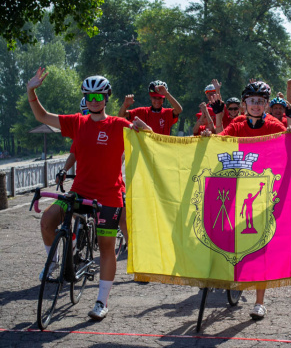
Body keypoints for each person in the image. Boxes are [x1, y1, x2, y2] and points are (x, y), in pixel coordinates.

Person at [27, 68, 151, 321]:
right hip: (80, 192)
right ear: (86, 98)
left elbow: (149, 140)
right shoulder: (77, 122)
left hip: (108, 197)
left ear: (106, 98)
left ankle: (101, 301)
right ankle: (53, 262)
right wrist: (31, 91)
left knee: (106, 248)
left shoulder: (119, 125)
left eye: (99, 96)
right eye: (90, 96)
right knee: (47, 220)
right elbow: (42, 115)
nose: (95, 101)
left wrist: (144, 127)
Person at [203, 81, 291, 320]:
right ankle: (229, 273)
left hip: (263, 191)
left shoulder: (275, 125)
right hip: (237, 186)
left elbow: (289, 149)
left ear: (266, 104)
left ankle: (260, 302)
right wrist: (209, 135)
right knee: (229, 234)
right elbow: (222, 139)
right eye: (252, 101)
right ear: (245, 104)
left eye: (261, 102)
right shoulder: (238, 124)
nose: (256, 105)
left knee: (260, 243)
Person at [118, 80, 182, 135]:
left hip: (161, 148)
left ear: (163, 99)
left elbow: (179, 110)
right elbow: (121, 115)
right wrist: (125, 105)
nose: (157, 101)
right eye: (154, 98)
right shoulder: (142, 111)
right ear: (150, 98)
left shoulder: (167, 113)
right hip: (145, 149)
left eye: (160, 98)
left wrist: (166, 94)